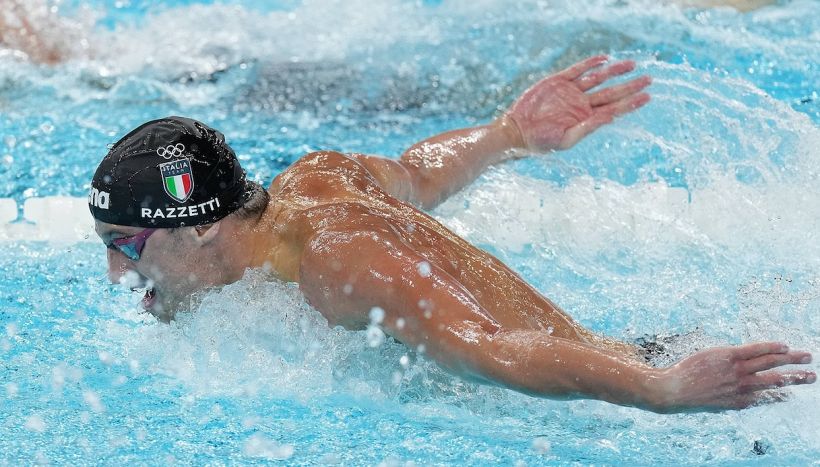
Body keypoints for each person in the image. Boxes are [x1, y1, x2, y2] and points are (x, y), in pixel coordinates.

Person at [89, 55, 815, 414]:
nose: (119, 276)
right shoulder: (314, 178)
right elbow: (416, 171)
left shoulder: (334, 261)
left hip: (639, 388)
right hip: (647, 354)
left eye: (126, 247)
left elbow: (492, 350)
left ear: (205, 225)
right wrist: (505, 134)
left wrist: (662, 389)